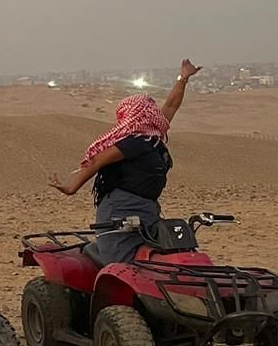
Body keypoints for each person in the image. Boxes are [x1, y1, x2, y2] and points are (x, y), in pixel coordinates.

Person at [48, 60, 202, 263]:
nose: (155, 112)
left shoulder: (152, 137)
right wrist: (71, 188)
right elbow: (96, 162)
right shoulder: (132, 143)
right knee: (123, 265)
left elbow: (172, 104)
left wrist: (183, 78)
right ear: (143, 114)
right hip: (121, 210)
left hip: (148, 210)